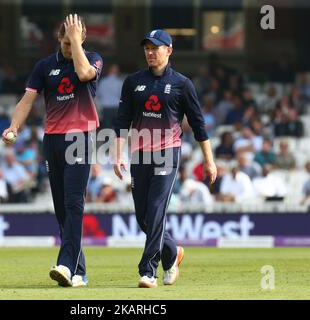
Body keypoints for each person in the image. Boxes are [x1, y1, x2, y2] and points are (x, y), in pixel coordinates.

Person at [2, 14, 103, 288]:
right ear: (59, 39)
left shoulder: (92, 58)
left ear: (82, 40)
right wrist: (14, 127)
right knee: (61, 209)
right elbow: (27, 100)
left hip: (80, 137)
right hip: (53, 140)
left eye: (75, 42)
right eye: (67, 43)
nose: (70, 48)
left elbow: (84, 74)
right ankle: (79, 272)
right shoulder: (45, 66)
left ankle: (66, 265)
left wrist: (77, 41)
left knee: (74, 203)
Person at [113, 29, 217, 288]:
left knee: (157, 209)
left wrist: (209, 160)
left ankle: (148, 271)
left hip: (167, 152)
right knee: (143, 218)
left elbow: (198, 124)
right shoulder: (133, 81)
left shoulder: (182, 84)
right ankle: (173, 254)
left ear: (168, 50)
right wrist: (118, 154)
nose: (150, 52)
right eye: (146, 48)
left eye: (155, 48)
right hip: (139, 154)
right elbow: (122, 121)